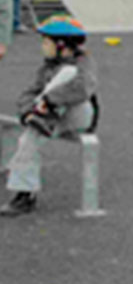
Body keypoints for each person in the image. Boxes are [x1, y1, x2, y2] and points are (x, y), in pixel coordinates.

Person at [0, 15, 99, 217]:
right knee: (29, 137)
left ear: (62, 44)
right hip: (49, 116)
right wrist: (28, 111)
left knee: (68, 74)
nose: (43, 47)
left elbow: (82, 88)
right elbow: (29, 92)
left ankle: (42, 117)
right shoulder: (48, 66)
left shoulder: (83, 63)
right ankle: (25, 194)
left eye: (46, 42)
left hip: (77, 116)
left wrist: (49, 101)